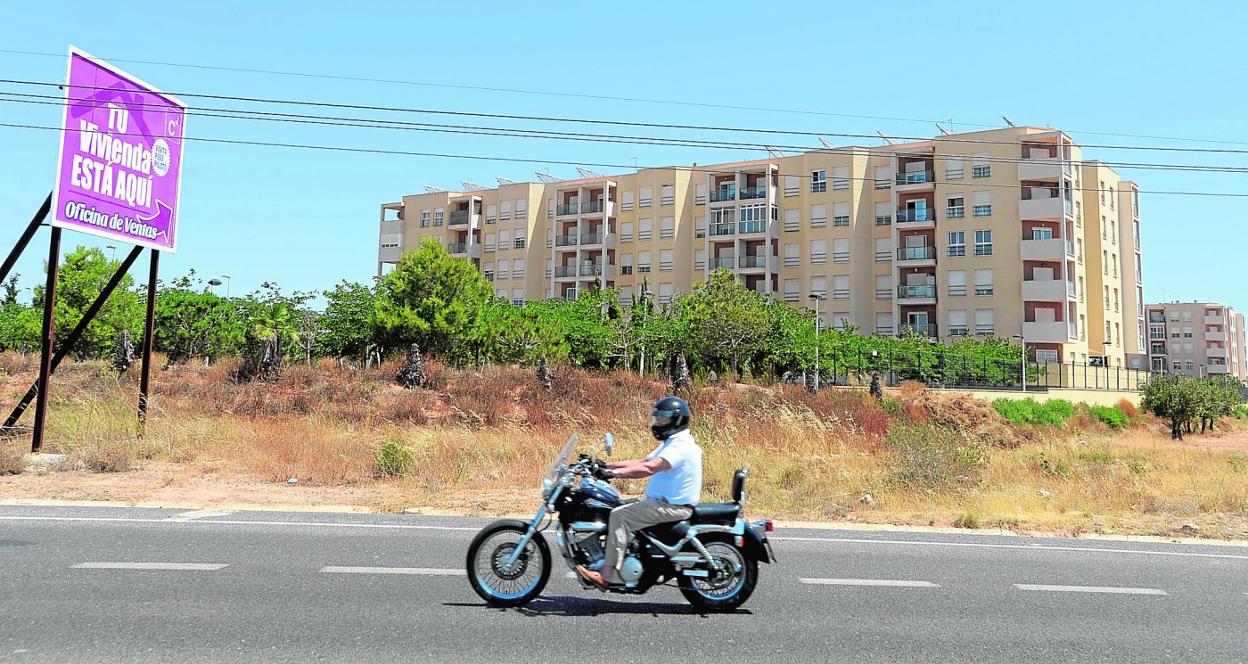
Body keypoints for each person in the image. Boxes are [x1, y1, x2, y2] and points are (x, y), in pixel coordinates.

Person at [577, 395, 702, 589]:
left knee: (619, 516)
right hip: (661, 502)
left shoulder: (681, 446)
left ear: (676, 419)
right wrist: (603, 465)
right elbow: (642, 461)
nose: (658, 421)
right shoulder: (672, 442)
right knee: (613, 506)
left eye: (663, 417)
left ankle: (608, 575)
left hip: (672, 507)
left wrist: (612, 474)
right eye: (657, 417)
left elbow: (649, 468)